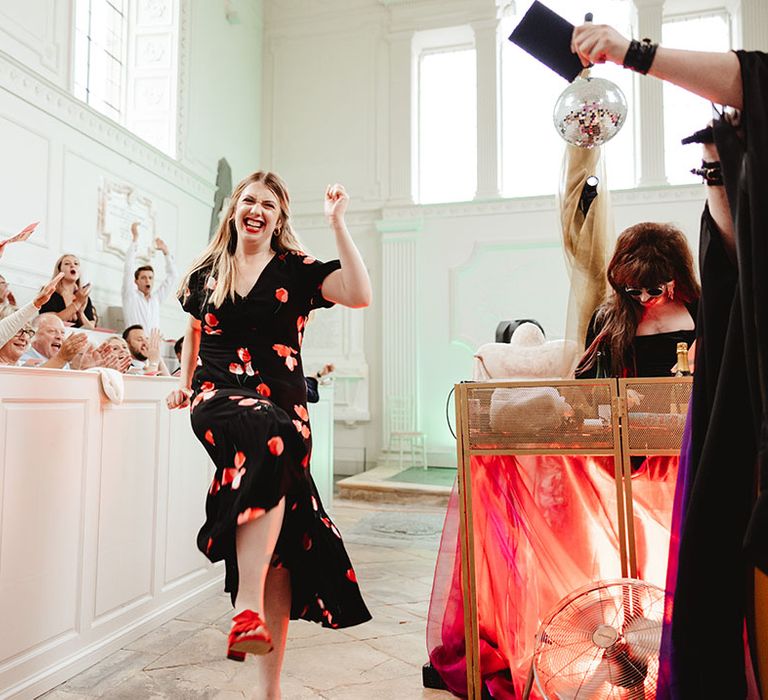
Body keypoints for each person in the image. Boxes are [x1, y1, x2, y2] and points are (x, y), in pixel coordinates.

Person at [572, 24, 768, 700]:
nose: (646, 301)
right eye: (633, 292)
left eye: (654, 290)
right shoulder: (612, 321)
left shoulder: (709, 311)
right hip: (635, 471)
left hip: (688, 461)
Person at [166, 172, 372, 697]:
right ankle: (247, 605)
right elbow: (194, 331)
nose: (257, 210)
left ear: (279, 219)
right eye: (249, 201)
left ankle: (269, 689)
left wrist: (337, 223)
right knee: (266, 430)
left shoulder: (296, 271)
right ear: (234, 210)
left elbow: (358, 293)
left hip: (285, 411)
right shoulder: (205, 273)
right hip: (221, 399)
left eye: (269, 205)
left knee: (282, 553)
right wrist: (184, 384)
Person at [576, 222, 699, 379]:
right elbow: (588, 379)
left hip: (689, 401)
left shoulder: (699, 308)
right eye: (634, 291)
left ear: (673, 280)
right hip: (629, 402)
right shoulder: (607, 317)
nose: (643, 298)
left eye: (654, 291)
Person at [122, 222, 177, 332]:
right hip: (134, 343)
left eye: (150, 278)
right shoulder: (131, 295)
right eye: (143, 278)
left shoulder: (156, 299)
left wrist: (166, 252)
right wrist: (135, 239)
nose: (148, 280)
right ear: (136, 281)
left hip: (153, 345)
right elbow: (128, 267)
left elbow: (173, 276)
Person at [39, 254, 95, 329]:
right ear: (59, 270)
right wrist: (77, 303)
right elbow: (51, 321)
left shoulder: (84, 297)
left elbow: (91, 328)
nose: (72, 266)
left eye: (76, 263)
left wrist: (80, 313)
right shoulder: (50, 291)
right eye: (67, 263)